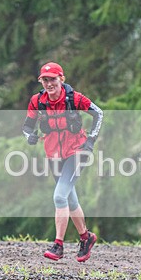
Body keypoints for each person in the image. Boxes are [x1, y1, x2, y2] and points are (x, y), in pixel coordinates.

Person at [22, 61, 103, 262]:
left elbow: (98, 113)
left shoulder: (74, 98)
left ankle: (58, 245)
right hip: (53, 154)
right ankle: (86, 237)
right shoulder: (37, 101)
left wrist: (91, 140)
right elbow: (27, 127)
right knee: (70, 198)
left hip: (77, 152)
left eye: (53, 79)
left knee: (59, 196)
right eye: (45, 80)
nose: (49, 84)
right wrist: (29, 136)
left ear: (61, 79)